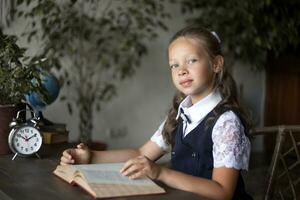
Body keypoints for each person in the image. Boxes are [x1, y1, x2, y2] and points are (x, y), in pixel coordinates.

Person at [60, 26, 253, 200]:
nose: (181, 71)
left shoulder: (226, 122)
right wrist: (91, 157)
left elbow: (223, 192)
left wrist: (161, 173)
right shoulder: (181, 114)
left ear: (216, 64)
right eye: (174, 65)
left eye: (192, 61)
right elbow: (141, 153)